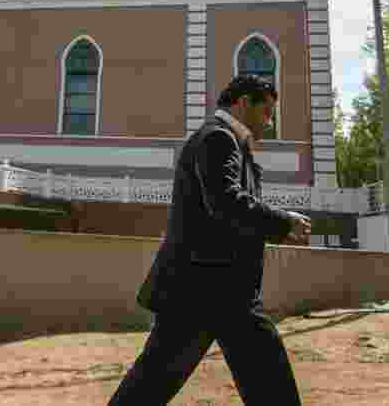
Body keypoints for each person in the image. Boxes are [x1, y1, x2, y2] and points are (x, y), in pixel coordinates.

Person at [109, 74, 311, 405]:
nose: (269, 122)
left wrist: (278, 222)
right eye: (267, 112)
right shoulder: (217, 138)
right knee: (153, 384)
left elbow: (230, 206)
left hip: (213, 290)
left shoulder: (226, 140)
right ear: (244, 103)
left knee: (154, 384)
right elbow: (226, 201)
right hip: (207, 288)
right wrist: (282, 222)